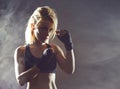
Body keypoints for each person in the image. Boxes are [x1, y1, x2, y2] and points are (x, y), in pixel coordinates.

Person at [14, 6, 75, 89]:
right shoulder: (21, 51)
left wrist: (68, 45)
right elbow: (21, 81)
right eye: (43, 28)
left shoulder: (54, 49)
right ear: (33, 26)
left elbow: (69, 70)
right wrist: (40, 65)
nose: (47, 34)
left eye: (50, 30)